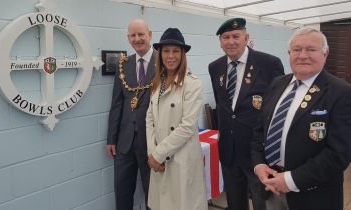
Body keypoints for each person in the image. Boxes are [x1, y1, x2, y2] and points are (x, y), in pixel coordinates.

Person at [251, 27, 351, 210]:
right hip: (271, 189)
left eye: (311, 49)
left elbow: (339, 153)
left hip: (314, 196)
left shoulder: (341, 92)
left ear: (325, 53)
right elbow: (259, 131)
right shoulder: (277, 83)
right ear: (289, 53)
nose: (302, 55)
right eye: (297, 50)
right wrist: (259, 165)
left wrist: (290, 180)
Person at [208, 18, 285, 210]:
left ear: (246, 38)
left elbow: (278, 109)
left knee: (262, 202)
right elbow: (223, 104)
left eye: (236, 36)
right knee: (235, 202)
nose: (231, 41)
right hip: (229, 149)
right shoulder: (215, 67)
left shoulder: (269, 64)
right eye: (226, 37)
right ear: (220, 41)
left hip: (258, 151)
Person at [146, 28, 207, 210]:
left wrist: (158, 154)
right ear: (160, 54)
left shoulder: (192, 83)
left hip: (179, 158)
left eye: (175, 51)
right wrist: (152, 153)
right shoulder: (157, 81)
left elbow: (187, 126)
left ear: (182, 54)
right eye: (166, 51)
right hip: (158, 160)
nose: (170, 56)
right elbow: (149, 119)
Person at [106, 19, 156, 210]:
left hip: (152, 141)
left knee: (153, 192)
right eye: (133, 35)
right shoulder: (124, 65)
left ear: (149, 35)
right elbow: (117, 104)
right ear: (128, 38)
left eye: (141, 34)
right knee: (122, 189)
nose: (137, 39)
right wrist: (111, 139)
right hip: (124, 142)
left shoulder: (163, 62)